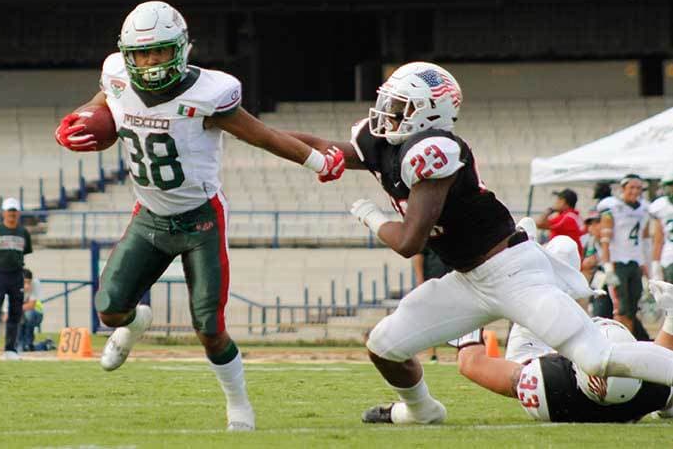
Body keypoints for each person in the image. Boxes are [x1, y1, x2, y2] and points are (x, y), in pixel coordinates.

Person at [286, 61, 673, 425]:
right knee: (385, 344)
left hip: (513, 271)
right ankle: (420, 411)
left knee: (596, 357)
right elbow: (323, 147)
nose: (386, 112)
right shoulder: (385, 145)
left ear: (429, 112)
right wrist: (255, 133)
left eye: (400, 105)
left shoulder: (436, 151)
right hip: (469, 280)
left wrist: (371, 217)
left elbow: (408, 242)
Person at [54, 1, 345, 431]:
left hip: (200, 220)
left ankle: (238, 403)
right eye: (142, 53)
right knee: (110, 310)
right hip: (149, 216)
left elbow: (262, 135)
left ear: (182, 49)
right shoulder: (116, 74)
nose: (150, 62)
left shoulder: (209, 93)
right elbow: (104, 100)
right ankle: (136, 324)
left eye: (160, 52)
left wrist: (315, 161)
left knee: (209, 327)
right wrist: (79, 118)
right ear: (127, 54)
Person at [453, 235, 673, 423]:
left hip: (536, 357)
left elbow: (471, 362)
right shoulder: (651, 392)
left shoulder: (547, 384)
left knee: (563, 247)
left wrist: (472, 305)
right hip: (600, 390)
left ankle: (538, 275)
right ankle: (548, 277)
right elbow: (663, 358)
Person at [597, 174, 650, 337]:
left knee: (632, 309)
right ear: (623, 189)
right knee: (620, 309)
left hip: (635, 262)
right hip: (617, 262)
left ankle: (630, 342)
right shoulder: (612, 207)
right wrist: (608, 267)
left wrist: (646, 266)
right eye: (631, 187)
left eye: (638, 188)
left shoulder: (644, 209)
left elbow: (644, 238)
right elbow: (604, 240)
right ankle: (621, 342)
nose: (635, 191)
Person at [0, 197, 32, 361]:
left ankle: (11, 348)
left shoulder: (23, 232)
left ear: (18, 213)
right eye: (9, 211)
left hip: (17, 274)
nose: (12, 214)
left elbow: (23, 253)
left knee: (15, 311)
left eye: (15, 211)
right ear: (3, 212)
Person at [412, 247, 451, 363]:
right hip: (432, 281)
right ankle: (432, 355)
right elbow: (418, 254)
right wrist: (420, 279)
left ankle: (461, 353)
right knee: (430, 320)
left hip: (453, 280)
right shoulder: (427, 233)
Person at [580, 210, 613, 318]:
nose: (593, 227)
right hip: (599, 280)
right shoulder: (590, 242)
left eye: (597, 222)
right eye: (590, 224)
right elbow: (585, 264)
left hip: (613, 276)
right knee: (599, 311)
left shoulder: (613, 241)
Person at [535, 188, 584, 257]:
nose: (556, 202)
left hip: (567, 256)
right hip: (569, 254)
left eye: (559, 199)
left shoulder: (567, 218)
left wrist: (550, 210)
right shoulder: (572, 215)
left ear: (564, 202)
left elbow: (539, 224)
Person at [650, 170, 673, 284]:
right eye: (669, 186)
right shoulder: (660, 206)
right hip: (670, 258)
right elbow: (658, 239)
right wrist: (655, 265)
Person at [17, 269, 44, 352]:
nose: (27, 286)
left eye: (29, 282)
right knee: (17, 316)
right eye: (25, 282)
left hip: (36, 314)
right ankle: (21, 343)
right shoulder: (13, 284)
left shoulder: (36, 283)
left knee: (28, 314)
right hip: (21, 315)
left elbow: (31, 305)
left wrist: (15, 308)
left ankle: (28, 343)